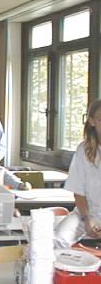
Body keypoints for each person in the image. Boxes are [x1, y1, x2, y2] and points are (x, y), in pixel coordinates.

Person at [55, 99, 101, 247]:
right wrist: (88, 219)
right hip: (85, 214)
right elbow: (78, 192)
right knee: (58, 238)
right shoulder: (83, 150)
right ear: (92, 122)